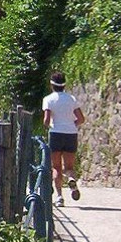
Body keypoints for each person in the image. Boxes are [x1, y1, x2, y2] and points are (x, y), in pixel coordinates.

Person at [42, 71, 84, 207]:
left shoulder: (48, 99)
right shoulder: (71, 99)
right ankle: (71, 178)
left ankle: (60, 197)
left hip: (56, 134)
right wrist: (72, 125)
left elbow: (46, 120)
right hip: (71, 133)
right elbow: (81, 118)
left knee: (56, 167)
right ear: (64, 85)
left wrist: (49, 127)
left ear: (51, 85)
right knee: (69, 166)